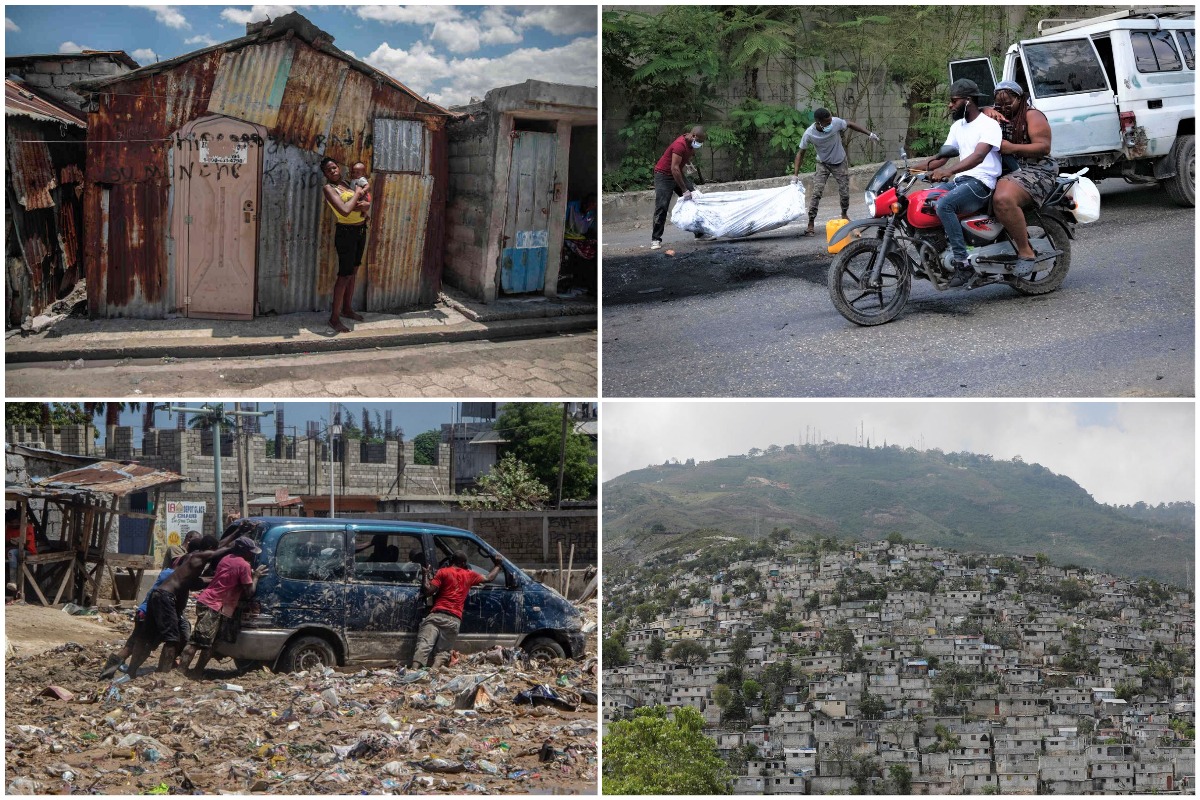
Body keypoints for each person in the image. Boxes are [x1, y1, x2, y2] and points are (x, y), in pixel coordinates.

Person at [911, 79, 1003, 287]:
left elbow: (979, 156)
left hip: (982, 183)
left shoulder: (989, 125)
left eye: (953, 101)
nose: (950, 105)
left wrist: (948, 171)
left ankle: (963, 264)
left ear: (968, 101)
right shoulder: (957, 127)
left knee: (945, 205)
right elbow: (941, 158)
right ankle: (935, 258)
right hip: (962, 180)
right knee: (922, 201)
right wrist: (910, 170)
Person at [100, 534, 217, 679]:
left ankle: (110, 672)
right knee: (156, 641)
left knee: (135, 644)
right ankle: (155, 671)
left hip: (148, 611)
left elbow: (194, 584)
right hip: (150, 612)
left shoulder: (175, 572)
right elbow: (193, 584)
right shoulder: (176, 575)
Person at [981, 80, 1059, 276]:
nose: (1005, 108)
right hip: (1008, 169)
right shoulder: (995, 115)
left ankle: (1026, 252)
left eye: (1009, 103)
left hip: (1036, 169)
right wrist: (986, 110)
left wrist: (1012, 148)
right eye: (1000, 104)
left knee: (1003, 199)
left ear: (1020, 98)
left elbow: (1043, 147)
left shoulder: (1032, 115)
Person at [177, 536, 267, 677]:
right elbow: (249, 592)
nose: (252, 554)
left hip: (212, 602)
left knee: (210, 643)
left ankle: (194, 673)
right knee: (198, 641)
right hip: (214, 604)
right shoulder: (243, 565)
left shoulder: (227, 558)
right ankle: (182, 673)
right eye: (250, 551)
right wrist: (255, 576)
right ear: (243, 551)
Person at [410, 550, 505, 669]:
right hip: (453, 619)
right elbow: (489, 577)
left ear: (451, 561)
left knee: (424, 645)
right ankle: (434, 671)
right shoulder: (469, 575)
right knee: (443, 651)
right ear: (464, 563)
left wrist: (425, 575)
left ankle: (414, 671)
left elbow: (428, 591)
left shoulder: (443, 572)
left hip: (436, 615)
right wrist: (498, 565)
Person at [793, 108, 880, 236]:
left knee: (844, 192)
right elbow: (800, 153)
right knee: (817, 192)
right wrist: (795, 175)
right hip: (822, 164)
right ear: (818, 122)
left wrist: (869, 134)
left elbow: (850, 124)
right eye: (827, 123)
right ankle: (810, 223)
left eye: (830, 121)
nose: (830, 124)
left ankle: (844, 214)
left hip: (839, 162)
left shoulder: (836, 122)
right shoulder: (809, 134)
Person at [320, 157, 371, 333]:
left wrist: (364, 206)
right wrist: (357, 196)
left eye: (334, 167)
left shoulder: (348, 183)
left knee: (354, 272)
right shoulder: (329, 188)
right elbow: (344, 209)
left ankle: (347, 309)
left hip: (361, 231)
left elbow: (360, 203)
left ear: (339, 168)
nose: (333, 171)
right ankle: (334, 319)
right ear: (325, 174)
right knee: (344, 275)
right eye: (329, 170)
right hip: (346, 233)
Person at [650, 126, 706, 250]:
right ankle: (655, 239)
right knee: (662, 206)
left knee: (694, 199)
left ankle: (699, 234)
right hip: (664, 175)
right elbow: (674, 168)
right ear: (694, 136)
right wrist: (684, 190)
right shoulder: (679, 145)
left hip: (677, 172)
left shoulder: (691, 144)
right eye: (700, 142)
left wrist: (688, 164)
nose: (700, 144)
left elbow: (683, 159)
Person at [5, 508, 36, 595]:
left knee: (11, 553)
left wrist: (18, 541)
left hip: (28, 551)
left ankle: (13, 581)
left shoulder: (27, 526)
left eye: (16, 522)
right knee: (11, 552)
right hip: (14, 551)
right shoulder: (9, 528)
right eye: (12, 523)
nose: (14, 524)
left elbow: (26, 543)